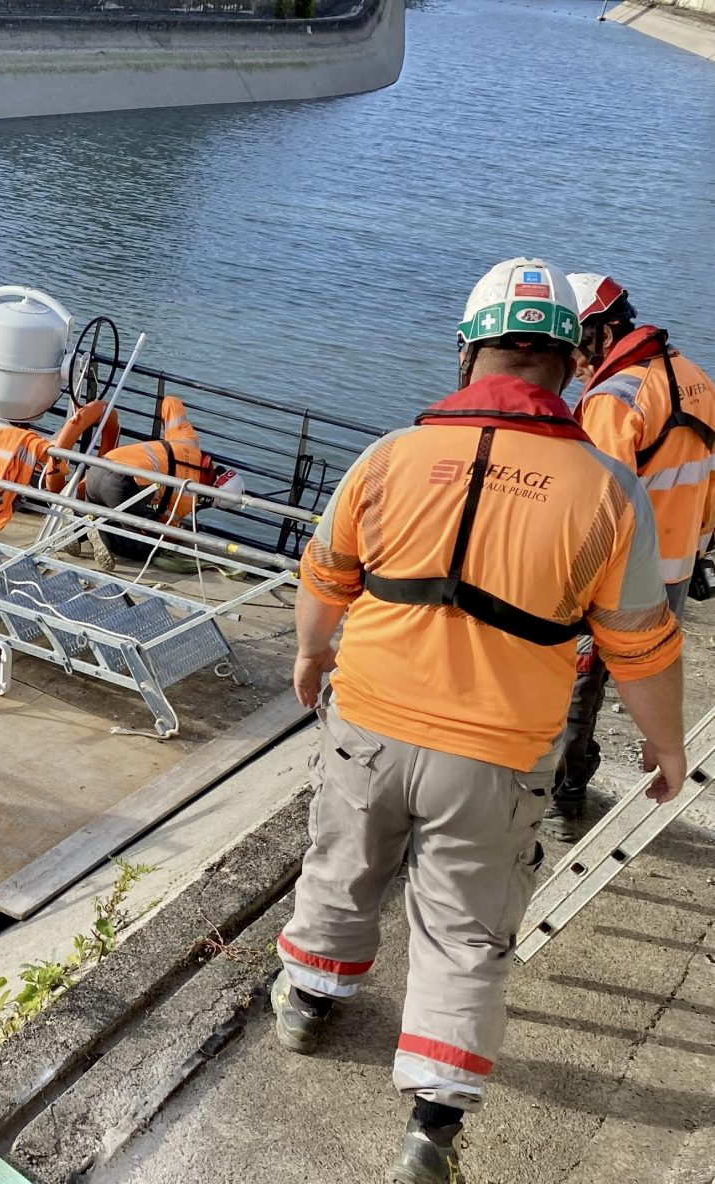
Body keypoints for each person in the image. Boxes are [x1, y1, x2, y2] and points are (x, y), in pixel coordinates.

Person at [274, 259, 686, 1184]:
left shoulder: (389, 456)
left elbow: (324, 572)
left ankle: (308, 1003)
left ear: (466, 354)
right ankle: (430, 1126)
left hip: (368, 724)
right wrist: (667, 744)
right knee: (465, 929)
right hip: (497, 754)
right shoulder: (606, 491)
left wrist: (310, 655)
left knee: (341, 865)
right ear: (574, 367)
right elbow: (641, 644)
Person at [546, 273, 715, 839]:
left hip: (619, 573)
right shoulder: (693, 377)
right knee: (645, 664)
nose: (570, 359)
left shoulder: (613, 400)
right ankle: (609, 762)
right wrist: (699, 547)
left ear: (605, 330)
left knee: (579, 676)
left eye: (575, 342)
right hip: (676, 566)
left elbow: (596, 502)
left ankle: (562, 795)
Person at [77, 393, 238, 568]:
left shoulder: (188, 441)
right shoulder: (188, 498)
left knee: (102, 512)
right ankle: (104, 535)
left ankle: (76, 528)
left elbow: (170, 402)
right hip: (121, 485)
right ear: (210, 497)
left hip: (98, 467)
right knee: (147, 544)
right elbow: (164, 528)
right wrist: (180, 533)